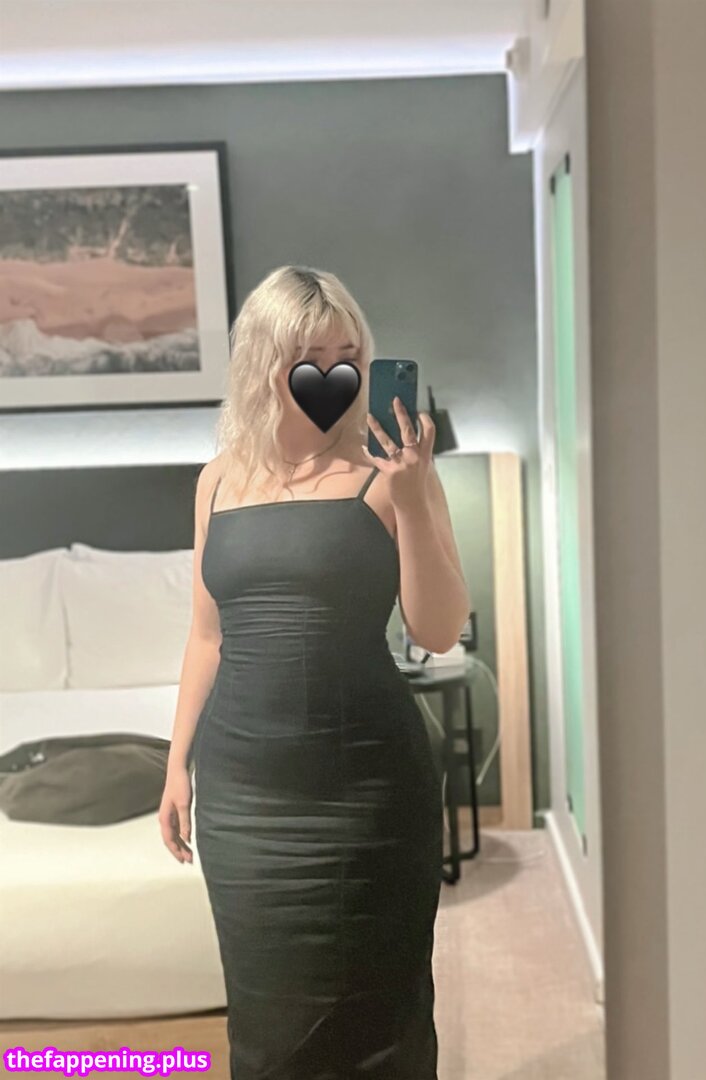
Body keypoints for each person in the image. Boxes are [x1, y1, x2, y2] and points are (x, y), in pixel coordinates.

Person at [158, 265, 470, 1079]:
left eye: (348, 356)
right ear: (265, 363)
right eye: (309, 357)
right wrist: (176, 763)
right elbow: (206, 636)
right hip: (246, 802)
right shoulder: (218, 481)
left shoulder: (390, 474)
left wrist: (412, 498)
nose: (333, 374)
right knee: (268, 1031)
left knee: (383, 1016)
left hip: (371, 793)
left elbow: (439, 630)